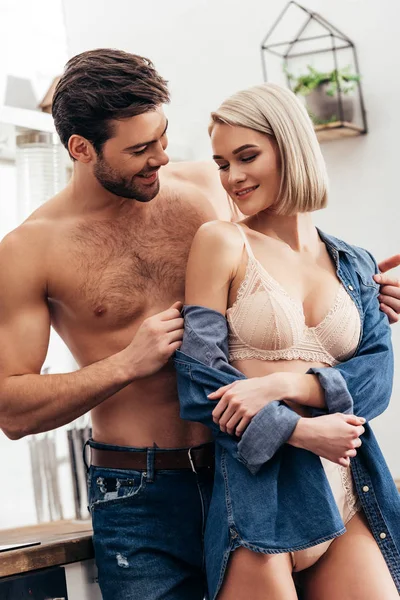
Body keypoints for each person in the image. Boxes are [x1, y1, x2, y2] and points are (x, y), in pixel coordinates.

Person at [0, 50, 398, 600]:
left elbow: (284, 264)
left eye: (162, 137)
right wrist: (125, 365)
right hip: (144, 492)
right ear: (81, 149)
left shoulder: (206, 192)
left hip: (257, 470)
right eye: (140, 149)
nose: (162, 158)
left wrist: (367, 291)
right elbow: (11, 408)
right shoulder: (29, 250)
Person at [176, 82, 400, 600]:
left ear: (291, 146)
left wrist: (279, 384)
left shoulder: (355, 263)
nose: (232, 177)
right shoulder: (221, 242)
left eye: (247, 156)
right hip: (263, 496)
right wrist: (300, 432)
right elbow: (198, 380)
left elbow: (377, 382)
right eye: (222, 163)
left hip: (350, 490)